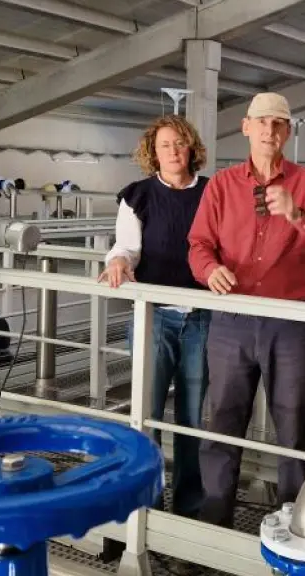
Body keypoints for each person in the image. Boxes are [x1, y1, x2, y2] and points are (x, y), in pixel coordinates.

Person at [187, 91, 305, 528]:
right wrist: (210, 270)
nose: (270, 131)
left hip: (291, 323)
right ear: (246, 127)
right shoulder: (221, 186)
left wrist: (297, 216)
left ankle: (297, 526)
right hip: (231, 320)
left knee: (291, 425)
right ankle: (215, 520)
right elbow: (198, 244)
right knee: (223, 419)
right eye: (262, 122)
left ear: (288, 132)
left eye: (278, 124)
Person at [99, 114, 211, 521]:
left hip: (201, 317)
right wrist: (117, 262)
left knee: (191, 418)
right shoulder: (138, 195)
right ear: (153, 152)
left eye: (180, 143)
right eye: (165, 145)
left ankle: (187, 510)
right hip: (154, 317)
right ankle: (144, 508)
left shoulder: (212, 193)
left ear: (191, 148)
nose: (174, 151)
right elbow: (127, 247)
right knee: (146, 414)